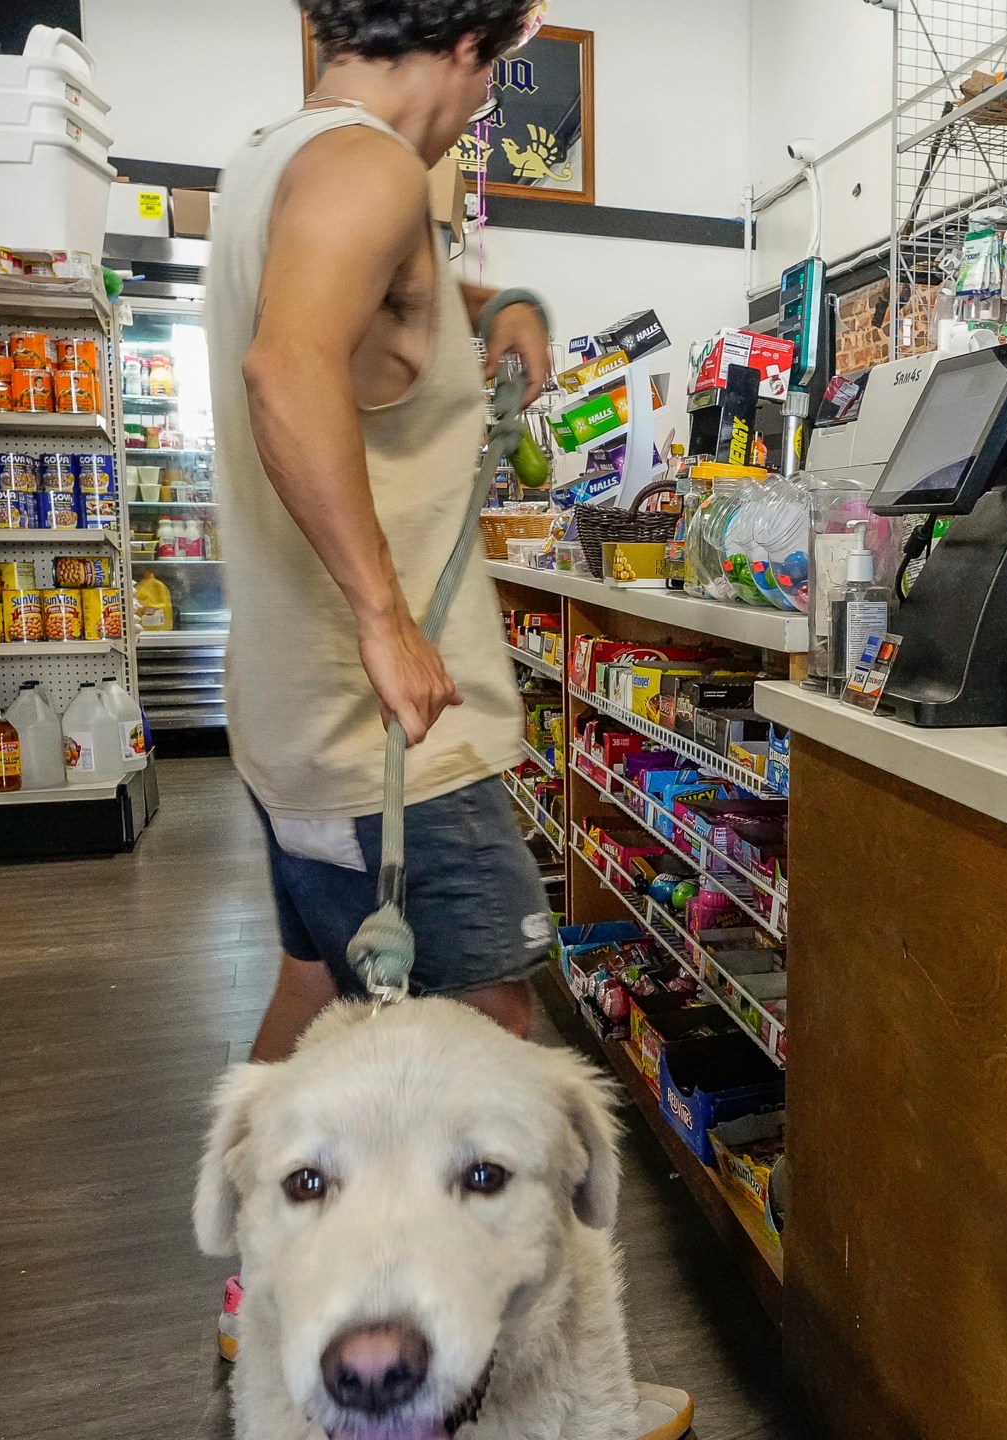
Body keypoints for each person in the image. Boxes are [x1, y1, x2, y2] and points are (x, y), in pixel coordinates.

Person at [205, 8, 694, 1435]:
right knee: (492, 1080)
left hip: (301, 733)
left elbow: (356, 341)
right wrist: (384, 609)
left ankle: (270, 1302)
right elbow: (290, 367)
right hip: (400, 744)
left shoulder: (276, 162)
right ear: (484, 42)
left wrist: (486, 317)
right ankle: (517, 1379)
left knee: (317, 994)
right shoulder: (367, 171)